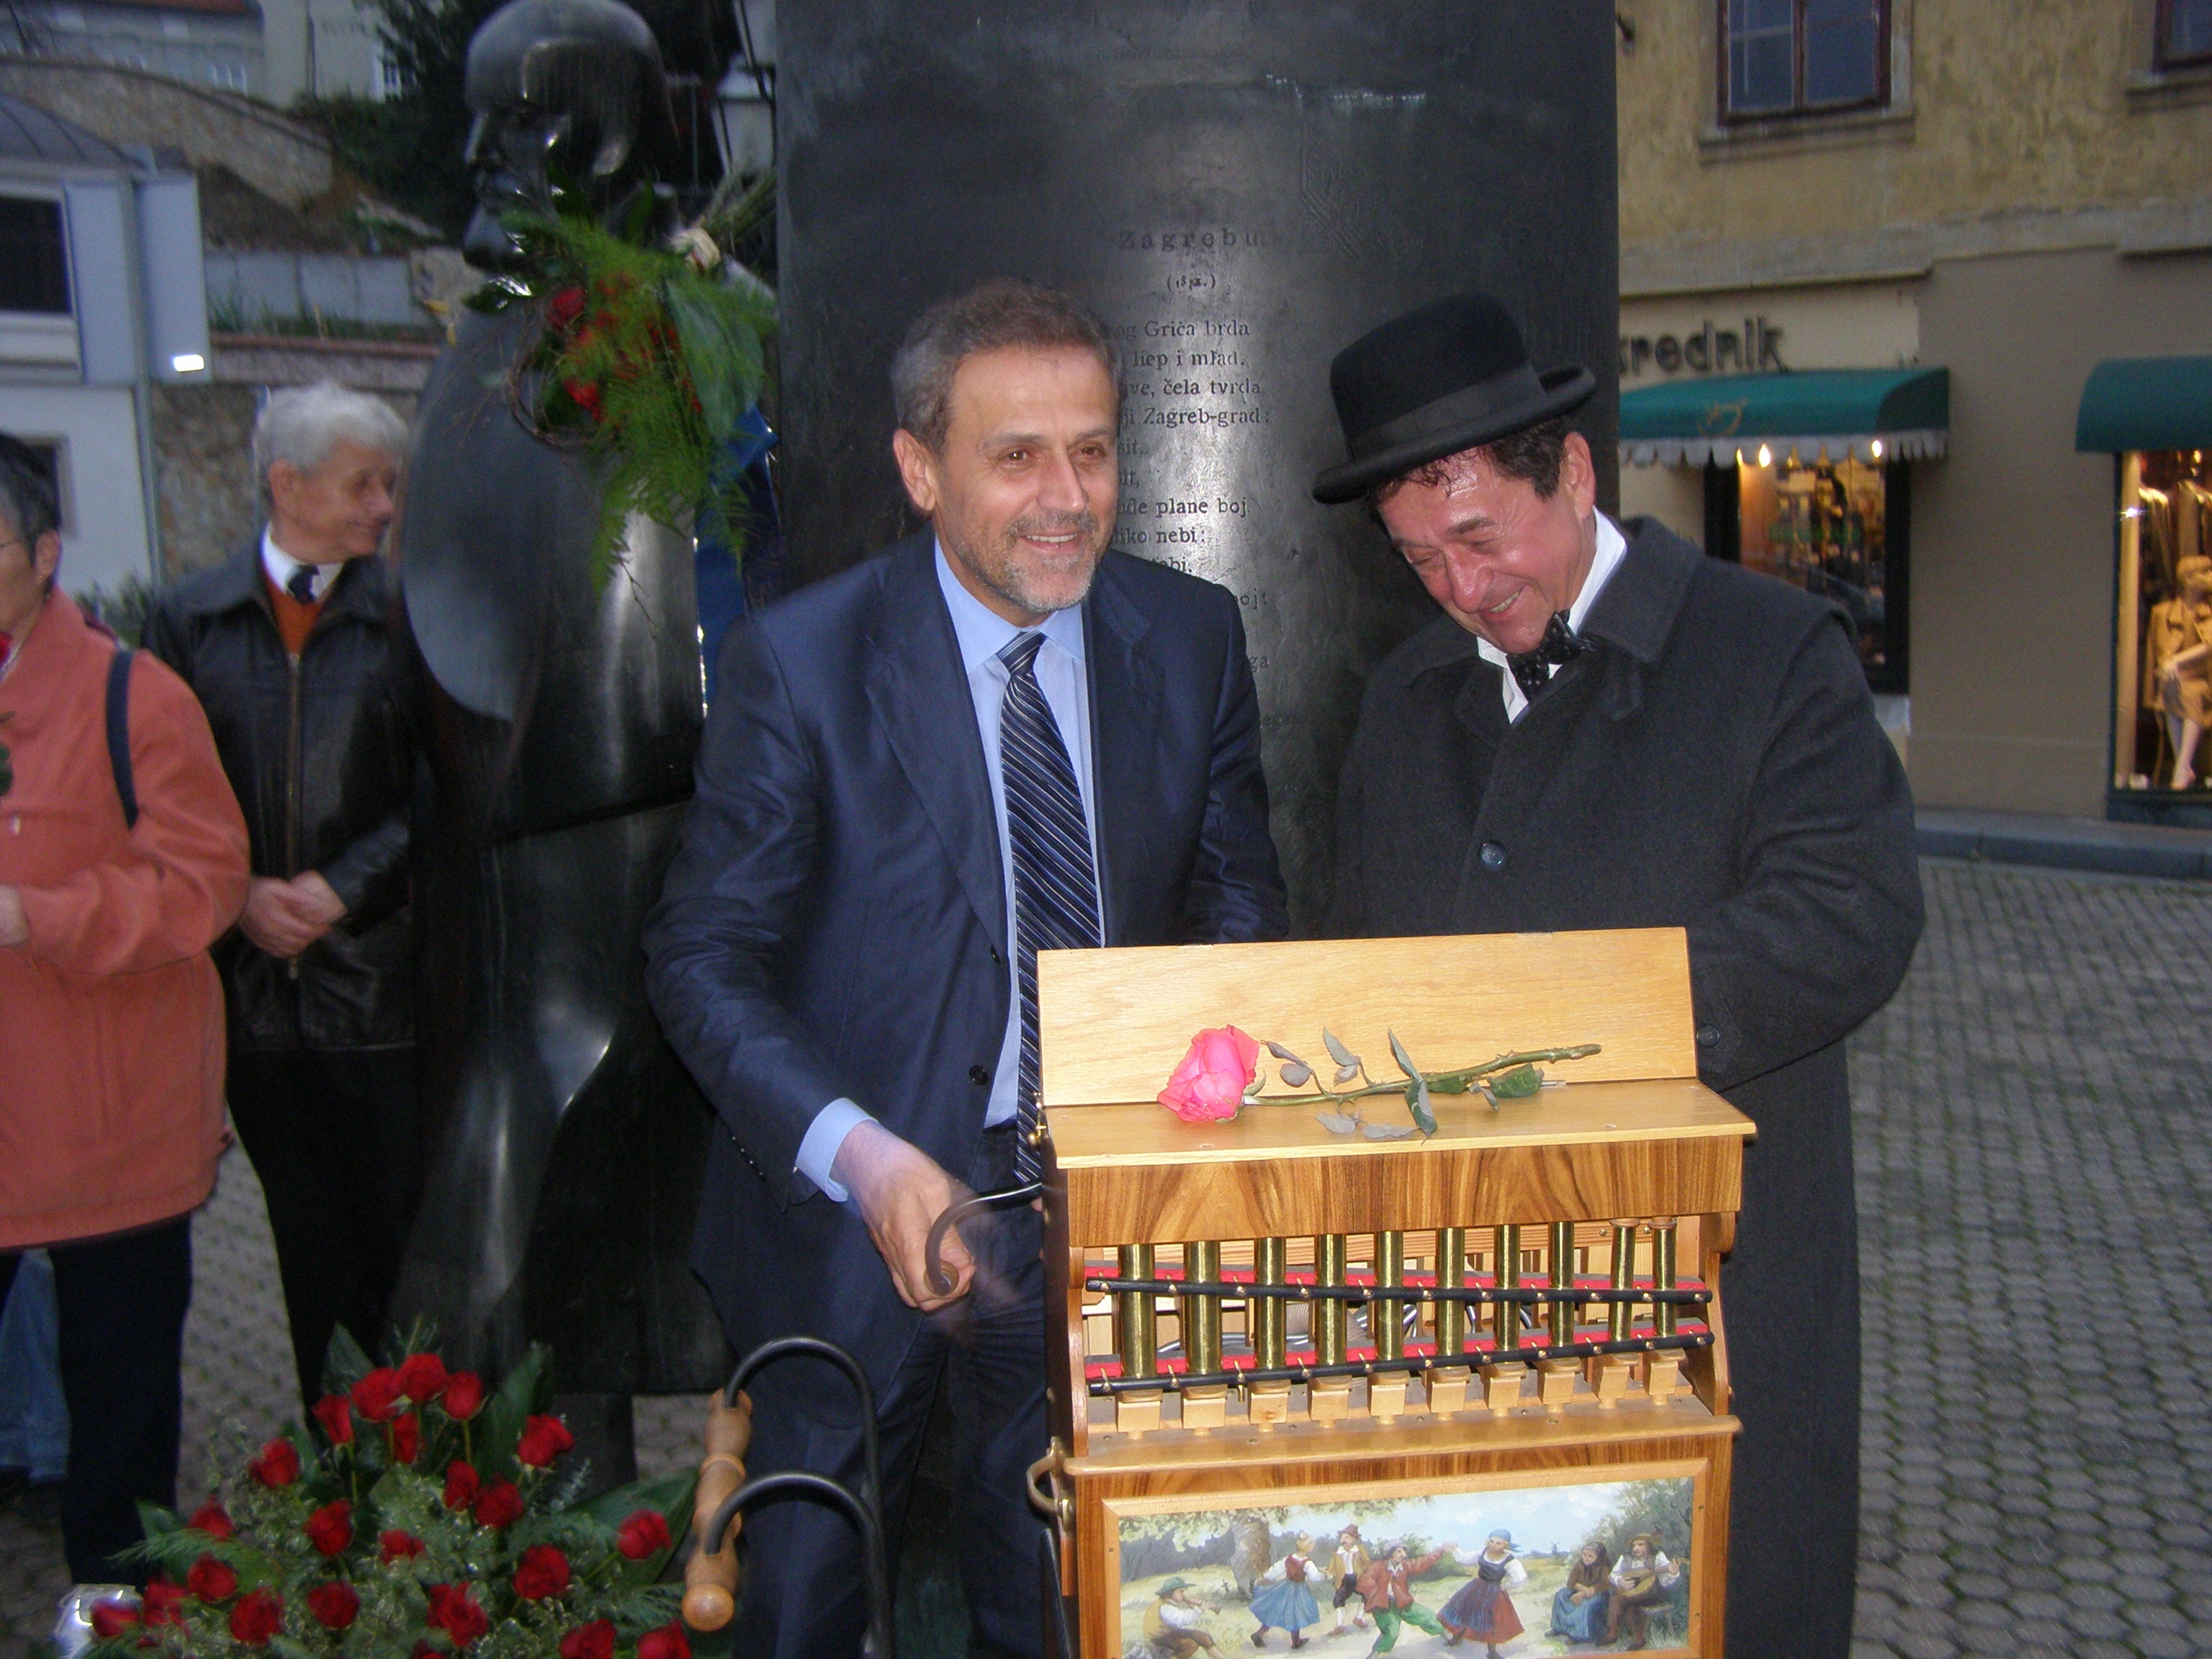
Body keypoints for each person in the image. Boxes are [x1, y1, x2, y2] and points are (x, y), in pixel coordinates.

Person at [644, 277, 1287, 1658]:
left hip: (1099, 1207)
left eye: (1093, 450)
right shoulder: (798, 662)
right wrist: (864, 1156)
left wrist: (1210, 1061)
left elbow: (1238, 895)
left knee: (1066, 1601)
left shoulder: (1190, 635)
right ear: (920, 467)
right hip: (850, 1220)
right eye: (1017, 456)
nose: (1067, 496)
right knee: (803, 1603)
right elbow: (700, 956)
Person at [1313, 289, 1923, 1659]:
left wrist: (1553, 1022)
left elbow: (1852, 914)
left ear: (1574, 473)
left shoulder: (1775, 654)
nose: (1460, 588)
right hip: (1469, 1309)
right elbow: (1356, 977)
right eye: (1420, 558)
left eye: (1481, 536)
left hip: (1715, 1296)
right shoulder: (1405, 701)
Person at [0, 440, 251, 1586]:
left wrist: (39, 915)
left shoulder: (132, 694)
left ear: (46, 555)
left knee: (121, 1410)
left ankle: (117, 1613)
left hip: (109, 1124)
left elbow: (206, 884)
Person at [146, 382, 418, 1413]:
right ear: (286, 485)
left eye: (389, 485)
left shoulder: (409, 612)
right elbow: (160, 791)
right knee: (308, 1252)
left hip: (379, 996)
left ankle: (427, 1465)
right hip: (254, 1003)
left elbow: (446, 787)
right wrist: (242, 892)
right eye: (363, 484)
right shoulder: (188, 619)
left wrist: (343, 889)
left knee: (399, 1252)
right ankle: (338, 1464)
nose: (383, 506)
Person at [2149, 553, 2212, 788]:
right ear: (2187, 579)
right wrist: (2168, 664)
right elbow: (2159, 648)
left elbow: (2209, 645)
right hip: (2175, 677)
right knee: (2171, 686)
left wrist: (2176, 661)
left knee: (2191, 691)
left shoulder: (2209, 611)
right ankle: (2183, 767)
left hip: (2203, 678)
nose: (2210, 576)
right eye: (2204, 572)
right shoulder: (2163, 612)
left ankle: (2182, 765)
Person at [1352, 1541, 1454, 1655]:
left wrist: (1441, 1550)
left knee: (1426, 1615)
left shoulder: (1405, 1566)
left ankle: (1449, 1638)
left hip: (1403, 1602)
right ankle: (1374, 1656)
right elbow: (1363, 1581)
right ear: (1391, 1553)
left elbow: (1423, 1562)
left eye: (1404, 1551)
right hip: (1383, 1606)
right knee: (1391, 1632)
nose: (1404, 1555)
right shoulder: (1378, 1566)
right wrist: (1378, 1593)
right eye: (1399, 1551)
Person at [1436, 1530, 1526, 1654]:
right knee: (1464, 1612)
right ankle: (1456, 1638)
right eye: (1492, 1541)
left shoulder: (1509, 1560)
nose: (1494, 1545)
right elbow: (1465, 1559)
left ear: (1505, 1545)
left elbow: (1520, 1578)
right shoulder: (1483, 1552)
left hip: (1494, 1593)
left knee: (1492, 1620)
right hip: (1476, 1588)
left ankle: (1492, 1651)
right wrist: (1456, 1549)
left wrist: (1506, 1585)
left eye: (1498, 1543)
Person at [1605, 1535, 1681, 1650]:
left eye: (1640, 1545)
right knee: (1630, 1606)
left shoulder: (1657, 1556)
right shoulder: (1625, 1558)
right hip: (1632, 1594)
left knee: (1617, 1599)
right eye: (1634, 1545)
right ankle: (1639, 1640)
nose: (1636, 1548)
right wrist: (1620, 1581)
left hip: (1652, 1593)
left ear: (1648, 1546)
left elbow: (1665, 1581)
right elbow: (1613, 1575)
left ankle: (1613, 1634)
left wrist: (1673, 1573)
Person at [1247, 1532, 1320, 1649]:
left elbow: (1277, 1569)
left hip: (1285, 1586)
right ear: (1308, 1547)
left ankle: (1259, 1633)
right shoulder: (1308, 1563)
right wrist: (1325, 1575)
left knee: (1277, 1611)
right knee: (1295, 1613)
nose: (1313, 1547)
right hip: (1298, 1590)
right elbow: (1315, 1577)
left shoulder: (1288, 1558)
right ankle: (1296, 1642)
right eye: (1312, 1545)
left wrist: (1265, 1577)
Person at [1545, 1541, 1613, 1646]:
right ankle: (1558, 1628)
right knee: (1560, 1595)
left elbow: (1605, 1583)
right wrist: (1582, 1589)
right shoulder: (1580, 1563)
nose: (1586, 1558)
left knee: (1586, 1604)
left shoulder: (1604, 1565)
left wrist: (1584, 1593)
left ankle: (1578, 1635)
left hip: (1597, 1593)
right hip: (1580, 1589)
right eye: (1584, 1555)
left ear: (1598, 1557)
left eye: (1591, 1556)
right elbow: (1571, 1581)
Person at [1144, 1579, 1223, 1658]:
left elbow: (1180, 1616)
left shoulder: (1169, 1604)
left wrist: (1193, 1607)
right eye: (1181, 1591)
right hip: (1160, 1637)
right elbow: (1181, 1620)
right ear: (1172, 1593)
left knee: (1202, 1637)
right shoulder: (1165, 1607)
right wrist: (1199, 1609)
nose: (1184, 1595)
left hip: (1170, 1633)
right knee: (1190, 1645)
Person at [1325, 1524, 1373, 1635]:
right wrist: (1328, 1573)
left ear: (1354, 1539)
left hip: (1358, 1577)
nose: (1343, 1540)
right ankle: (1340, 1626)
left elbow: (1367, 1563)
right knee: (1338, 1600)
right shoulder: (1337, 1552)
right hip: (1344, 1579)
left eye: (1347, 1537)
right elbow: (1331, 1568)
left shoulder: (1360, 1550)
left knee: (1368, 1595)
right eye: (1342, 1537)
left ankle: (1359, 1618)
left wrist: (1371, 1575)